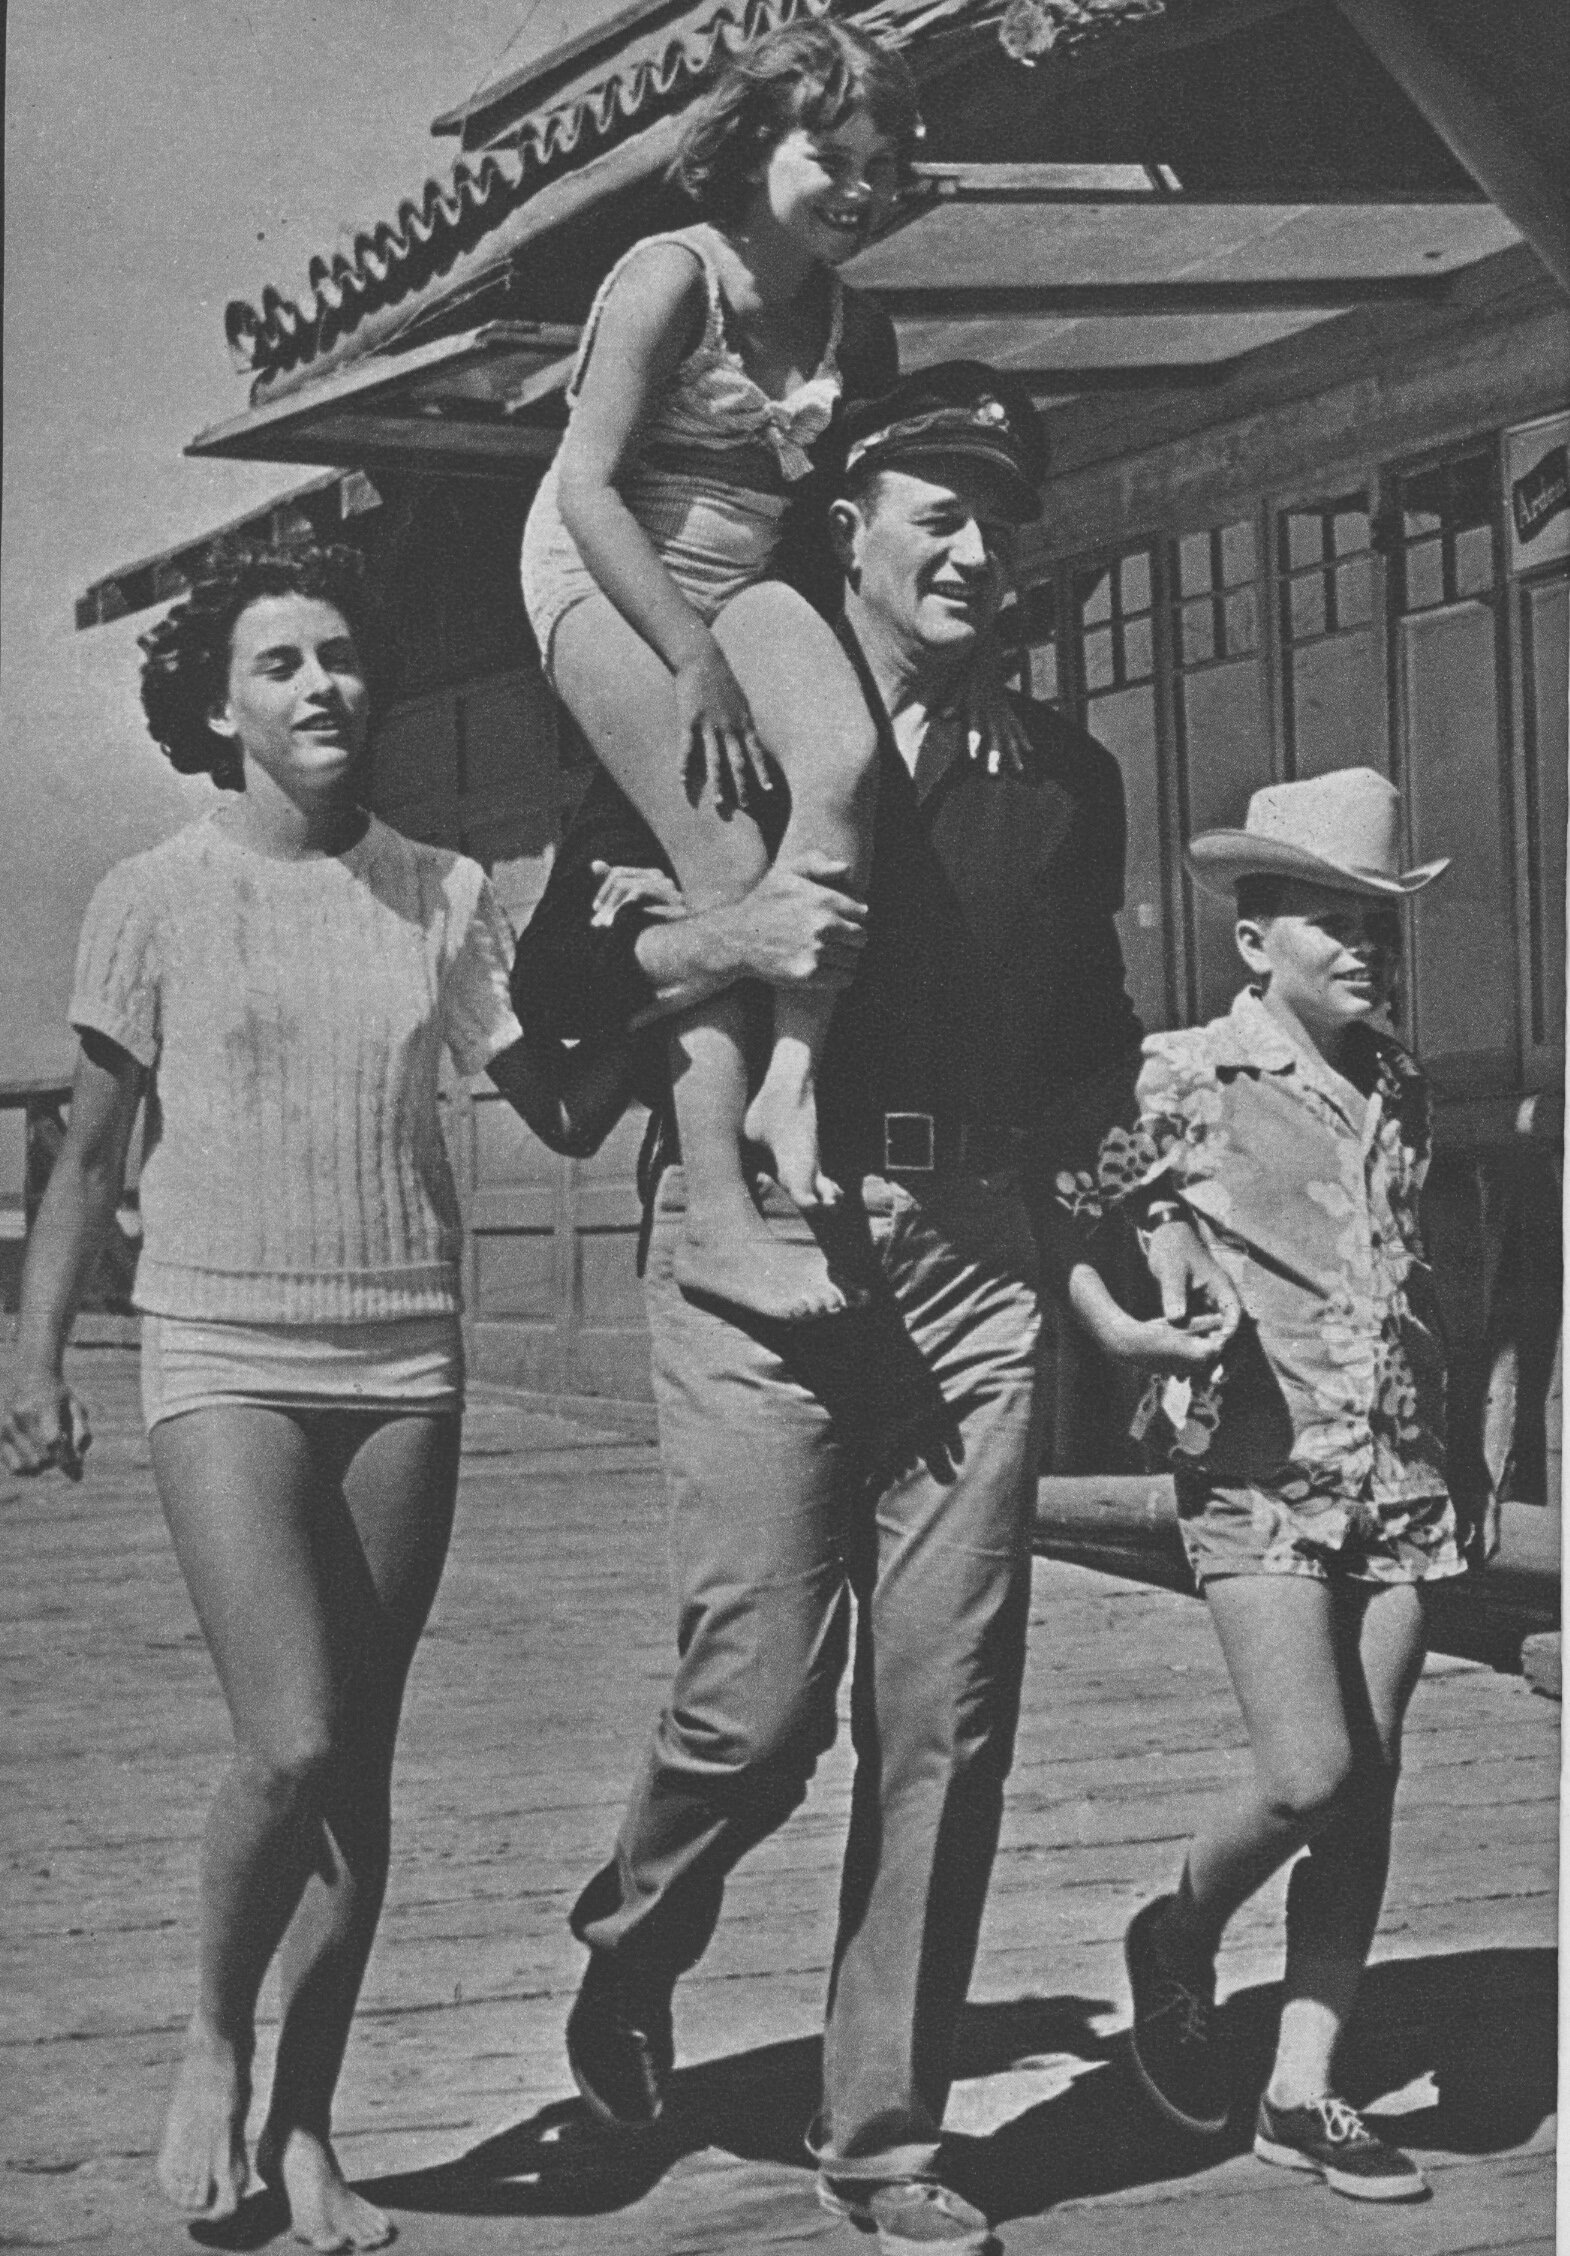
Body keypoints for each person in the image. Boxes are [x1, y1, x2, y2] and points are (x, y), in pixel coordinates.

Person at [512, 365, 1237, 2255]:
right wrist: (733, 939)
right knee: (756, 1711)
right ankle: (632, 1943)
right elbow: (554, 993)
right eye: (935, 511)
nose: (974, 553)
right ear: (851, 527)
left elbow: (1083, 1060)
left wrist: (1136, 1241)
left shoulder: (1063, 779)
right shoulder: (720, 716)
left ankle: (881, 2129)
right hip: (761, 1243)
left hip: (978, 1253)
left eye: (1004, 520)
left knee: (947, 1715)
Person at [0, 545, 544, 2252]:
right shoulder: (152, 894)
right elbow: (84, 1159)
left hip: (401, 1353)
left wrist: (696, 958)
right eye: (281, 666)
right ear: (219, 708)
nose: (324, 688)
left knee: (358, 1773)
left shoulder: (446, 892)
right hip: (219, 1347)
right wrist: (29, 1359)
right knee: (290, 1737)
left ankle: (308, 2127)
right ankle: (213, 2028)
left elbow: (553, 1085)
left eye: (340, 660)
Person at [520, 19, 921, 1324]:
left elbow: (824, 531)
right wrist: (691, 660)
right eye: (832, 157)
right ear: (756, 149)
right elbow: (584, 487)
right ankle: (719, 1219)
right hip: (606, 567)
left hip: (746, 575)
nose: (859, 190)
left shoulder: (859, 330)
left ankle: (789, 1080)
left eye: (882, 164)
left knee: (844, 763)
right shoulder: (667, 277)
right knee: (724, 865)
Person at [1101, 768, 1464, 2204]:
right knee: (1306, 1773)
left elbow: (1430, 1272)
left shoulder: (1402, 1082)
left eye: (1376, 921)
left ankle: (1301, 2089)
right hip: (1256, 1472)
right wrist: (1151, 1282)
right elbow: (1089, 1199)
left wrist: (1472, 1447)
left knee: (1364, 1793)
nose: (1361, 947)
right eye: (1327, 920)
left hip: (1399, 1473)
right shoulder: (1181, 1072)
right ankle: (1173, 1934)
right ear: (1254, 940)